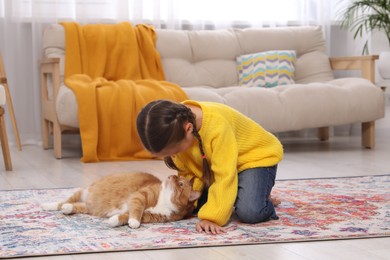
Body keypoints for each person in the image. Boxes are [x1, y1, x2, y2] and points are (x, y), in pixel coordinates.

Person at [136, 99, 283, 234]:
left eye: (176, 152)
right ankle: (245, 191)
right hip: (219, 164)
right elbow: (190, 171)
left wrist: (212, 218)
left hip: (254, 159)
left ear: (188, 129)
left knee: (250, 211)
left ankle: (262, 198)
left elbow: (225, 175)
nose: (175, 155)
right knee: (197, 206)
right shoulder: (173, 125)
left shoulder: (217, 126)